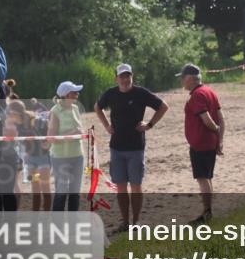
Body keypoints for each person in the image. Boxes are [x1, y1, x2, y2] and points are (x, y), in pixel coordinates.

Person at [94, 63, 169, 233]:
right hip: (116, 147)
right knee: (120, 186)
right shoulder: (111, 93)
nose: (125, 79)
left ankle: (136, 222)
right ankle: (125, 222)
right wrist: (106, 125)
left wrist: (150, 124)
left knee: (136, 185)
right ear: (116, 78)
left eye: (128, 76)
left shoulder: (141, 93)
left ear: (132, 77)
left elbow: (163, 106)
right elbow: (97, 107)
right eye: (122, 76)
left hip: (136, 147)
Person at [176, 64, 224, 220]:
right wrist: (219, 139)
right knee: (207, 178)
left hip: (201, 143)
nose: (182, 81)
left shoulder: (197, 95)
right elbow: (221, 118)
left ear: (189, 79)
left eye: (183, 78)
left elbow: (207, 119)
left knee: (202, 178)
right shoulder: (210, 91)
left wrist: (216, 130)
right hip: (210, 142)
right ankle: (208, 210)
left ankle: (207, 212)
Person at [48, 81, 86, 212]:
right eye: (74, 92)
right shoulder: (55, 111)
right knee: (62, 191)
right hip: (60, 157)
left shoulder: (75, 108)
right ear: (66, 95)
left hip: (78, 155)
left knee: (75, 191)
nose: (77, 94)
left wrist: (81, 133)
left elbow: (79, 129)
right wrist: (72, 134)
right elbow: (51, 138)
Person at [22, 98, 53, 211]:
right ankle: (35, 212)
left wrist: (47, 144)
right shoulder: (22, 127)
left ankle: (47, 213)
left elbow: (51, 136)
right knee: (35, 186)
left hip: (43, 158)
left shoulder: (42, 123)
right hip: (31, 159)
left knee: (45, 185)